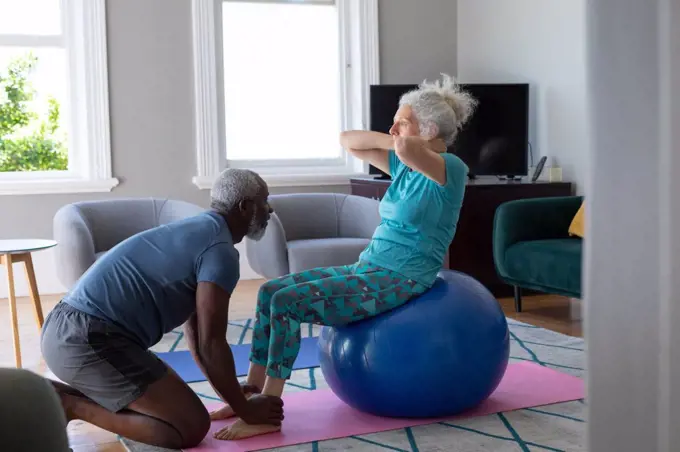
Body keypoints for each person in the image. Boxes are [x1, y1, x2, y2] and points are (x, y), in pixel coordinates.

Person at [210, 74, 478, 441]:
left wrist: (408, 140)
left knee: (288, 303)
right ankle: (252, 393)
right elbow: (348, 141)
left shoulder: (451, 169)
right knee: (270, 291)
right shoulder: (404, 165)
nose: (393, 128)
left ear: (429, 130)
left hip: (402, 278)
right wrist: (402, 132)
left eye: (402, 121)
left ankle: (268, 412)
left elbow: (409, 151)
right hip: (369, 267)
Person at [40, 168, 284, 449]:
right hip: (88, 341)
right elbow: (212, 343)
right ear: (245, 207)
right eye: (265, 200)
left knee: (183, 413)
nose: (270, 208)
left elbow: (197, 336)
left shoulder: (200, 230)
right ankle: (71, 405)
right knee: (189, 428)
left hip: (67, 330)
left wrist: (233, 399)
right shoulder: (220, 252)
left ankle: (53, 394)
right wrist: (246, 410)